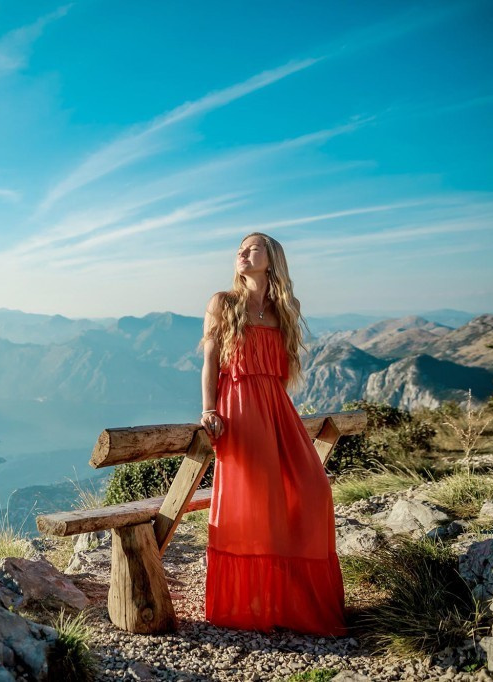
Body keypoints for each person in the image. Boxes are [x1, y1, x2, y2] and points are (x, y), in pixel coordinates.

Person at [197, 231, 346, 637]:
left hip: (277, 407)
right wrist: (209, 409)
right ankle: (252, 605)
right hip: (240, 406)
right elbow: (210, 361)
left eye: (252, 248)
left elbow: (282, 367)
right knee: (258, 505)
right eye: (240, 250)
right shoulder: (222, 303)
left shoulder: (285, 307)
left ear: (272, 258)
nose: (242, 253)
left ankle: (291, 598)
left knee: (313, 489)